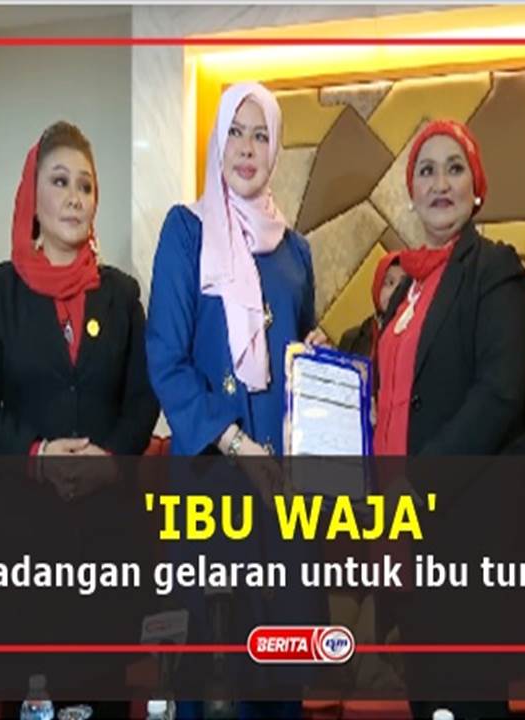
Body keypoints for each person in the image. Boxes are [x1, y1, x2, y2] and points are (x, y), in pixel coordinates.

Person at [146, 81, 324, 719]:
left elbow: (298, 347)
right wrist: (235, 442)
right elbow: (165, 359)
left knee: (282, 667)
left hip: (284, 489)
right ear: (217, 142)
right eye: (235, 133)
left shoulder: (296, 249)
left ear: (274, 149)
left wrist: (317, 354)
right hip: (212, 476)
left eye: (261, 135)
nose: (247, 149)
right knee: (212, 669)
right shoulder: (186, 231)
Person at [0, 121, 158, 457]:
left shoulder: (123, 294)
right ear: (32, 198)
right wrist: (37, 454)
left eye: (85, 187)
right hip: (23, 486)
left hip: (110, 486)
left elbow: (144, 399)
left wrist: (110, 458)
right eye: (60, 182)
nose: (74, 199)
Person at [373, 119, 525, 457]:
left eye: (455, 168)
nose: (440, 184)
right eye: (426, 171)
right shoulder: (405, 289)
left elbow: (499, 393)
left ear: (476, 189)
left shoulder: (494, 268)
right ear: (412, 193)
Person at [338, 251, 405, 358]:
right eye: (389, 283)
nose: (394, 292)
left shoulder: (411, 346)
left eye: (402, 286)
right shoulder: (351, 339)